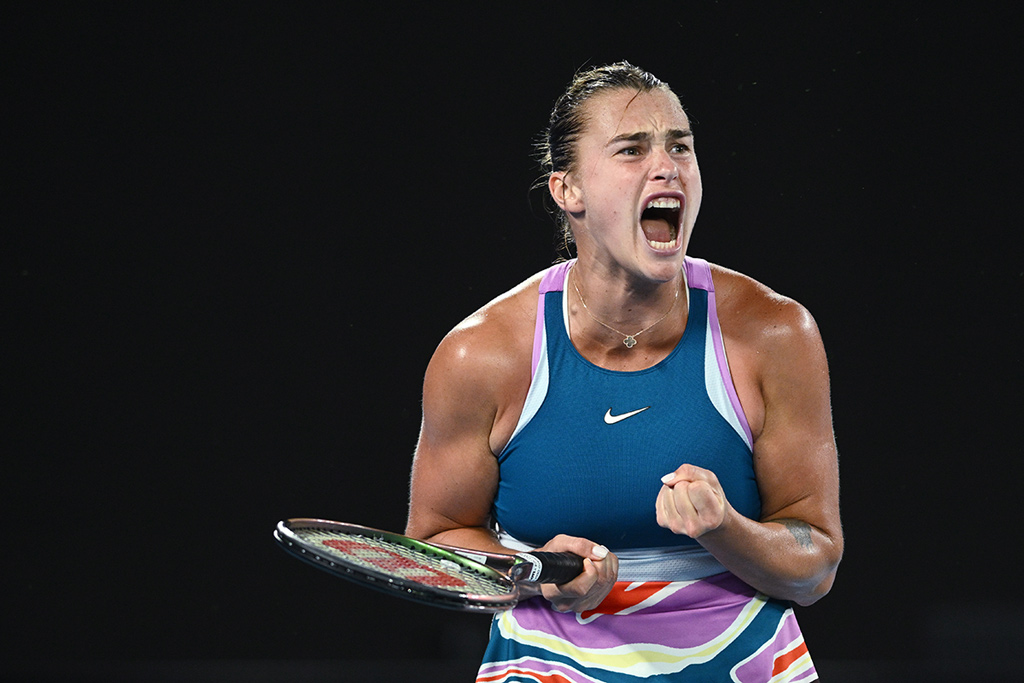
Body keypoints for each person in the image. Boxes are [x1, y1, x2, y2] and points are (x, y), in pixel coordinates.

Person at [405, 61, 842, 682]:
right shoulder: (482, 355)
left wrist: (726, 529)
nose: (667, 167)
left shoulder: (775, 334)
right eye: (632, 150)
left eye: (680, 147)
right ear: (568, 191)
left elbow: (815, 569)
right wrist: (534, 574)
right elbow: (434, 545)